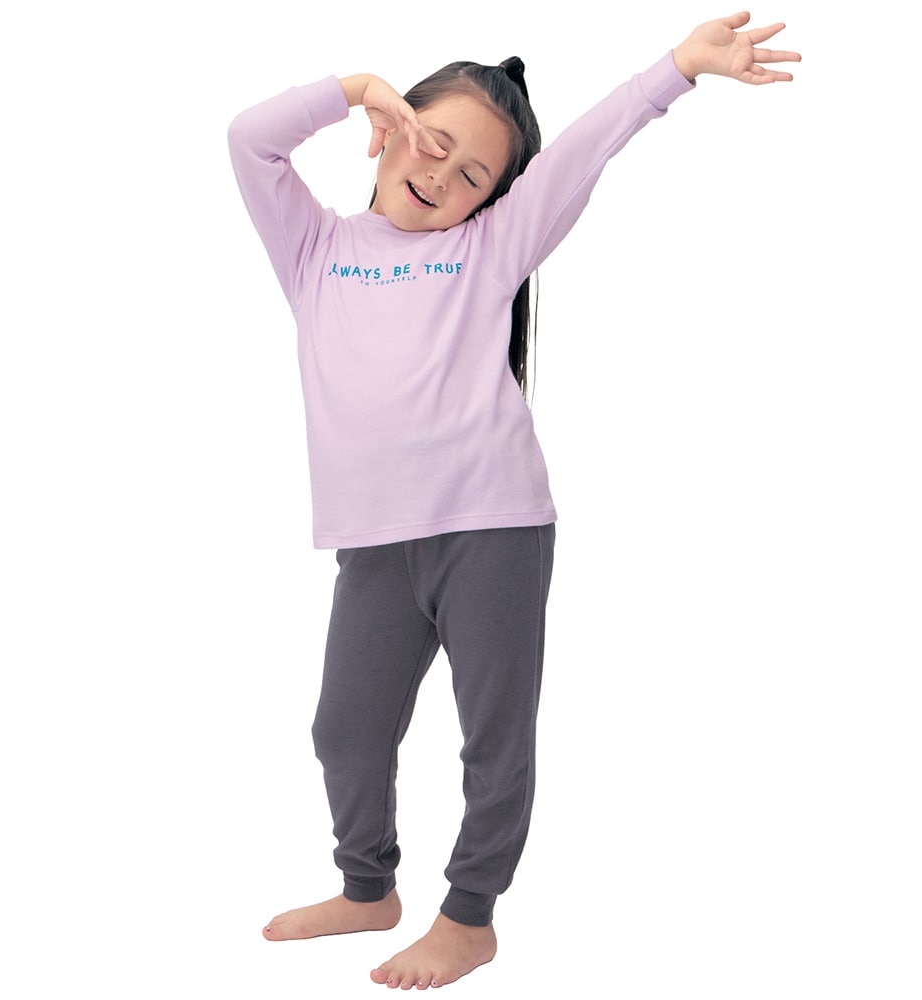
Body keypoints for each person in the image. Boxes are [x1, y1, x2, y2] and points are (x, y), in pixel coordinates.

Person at [227, 11, 800, 990]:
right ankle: (368, 887)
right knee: (344, 730)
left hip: (493, 529)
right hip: (376, 543)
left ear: (492, 200)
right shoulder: (314, 250)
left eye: (472, 176)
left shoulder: (486, 251)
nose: (441, 177)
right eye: (433, 143)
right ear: (393, 128)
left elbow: (578, 155)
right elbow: (249, 140)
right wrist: (352, 89)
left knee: (492, 738)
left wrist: (676, 69)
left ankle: (469, 917)